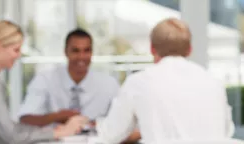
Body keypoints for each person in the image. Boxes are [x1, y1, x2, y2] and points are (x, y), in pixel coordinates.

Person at [93, 18, 235, 143]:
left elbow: (110, 135)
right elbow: (227, 131)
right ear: (189, 50)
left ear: (152, 49)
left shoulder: (139, 82)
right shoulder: (213, 81)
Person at [0, 20, 81, 144]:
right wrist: (57, 133)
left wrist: (51, 130)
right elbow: (12, 135)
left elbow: (10, 127)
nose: (18, 55)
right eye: (16, 50)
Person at [17, 29, 120, 127]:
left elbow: (123, 122)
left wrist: (97, 125)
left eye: (86, 50)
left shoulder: (109, 84)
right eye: (75, 51)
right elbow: (25, 119)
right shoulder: (45, 80)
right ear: (66, 52)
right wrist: (55, 117)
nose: (81, 57)